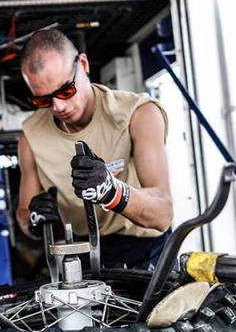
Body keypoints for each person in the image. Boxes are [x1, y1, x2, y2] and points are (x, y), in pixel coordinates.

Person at [16, 29, 173, 271]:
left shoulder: (138, 113)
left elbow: (163, 215)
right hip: (83, 255)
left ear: (84, 65)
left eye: (66, 90)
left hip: (146, 252)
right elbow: (25, 214)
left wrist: (112, 192)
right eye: (43, 100)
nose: (58, 106)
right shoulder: (31, 136)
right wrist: (35, 222)